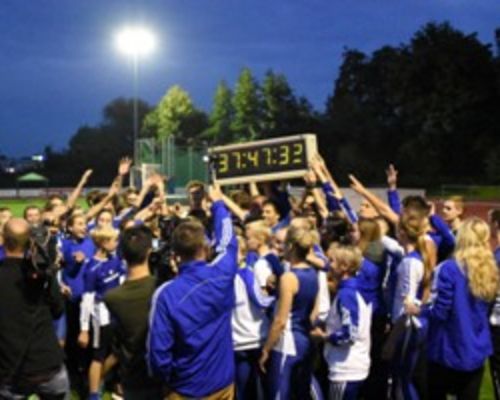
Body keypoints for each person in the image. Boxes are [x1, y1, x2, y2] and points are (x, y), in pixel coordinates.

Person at [147, 184, 237, 399]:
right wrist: (218, 204)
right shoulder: (222, 274)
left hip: (184, 389)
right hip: (222, 384)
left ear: (175, 255)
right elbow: (228, 242)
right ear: (205, 249)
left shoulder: (166, 295)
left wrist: (168, 381)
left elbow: (158, 353)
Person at [407, 217, 498, 400]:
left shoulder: (450, 268)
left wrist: (419, 310)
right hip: (477, 346)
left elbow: (440, 312)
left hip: (448, 347)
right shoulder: (491, 268)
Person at [0, 218, 69, 399]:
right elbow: (58, 310)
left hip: (10, 367)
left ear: (3, 239)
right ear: (30, 241)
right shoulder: (41, 274)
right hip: (47, 363)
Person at [259, 225, 320, 400]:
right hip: (304, 338)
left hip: (288, 342)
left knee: (279, 392)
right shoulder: (312, 273)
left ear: (291, 247)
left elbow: (280, 320)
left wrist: (266, 349)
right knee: (302, 391)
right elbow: (314, 311)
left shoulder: (289, 278)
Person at [104, 225, 163, 400]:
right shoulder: (163, 288)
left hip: (133, 377)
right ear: (149, 252)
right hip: (162, 373)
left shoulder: (113, 297)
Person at [312, 244, 372, 400]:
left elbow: (349, 334)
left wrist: (324, 336)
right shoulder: (357, 288)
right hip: (353, 365)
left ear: (344, 266)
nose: (328, 265)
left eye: (332, 261)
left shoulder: (347, 295)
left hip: (346, 368)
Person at [78, 227, 126, 400]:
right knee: (98, 356)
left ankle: (99, 379)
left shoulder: (116, 260)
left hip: (118, 315)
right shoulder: (92, 268)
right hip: (102, 319)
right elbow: (87, 300)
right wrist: (84, 329)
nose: (117, 243)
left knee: (120, 352)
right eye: (115, 240)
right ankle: (93, 393)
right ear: (105, 243)